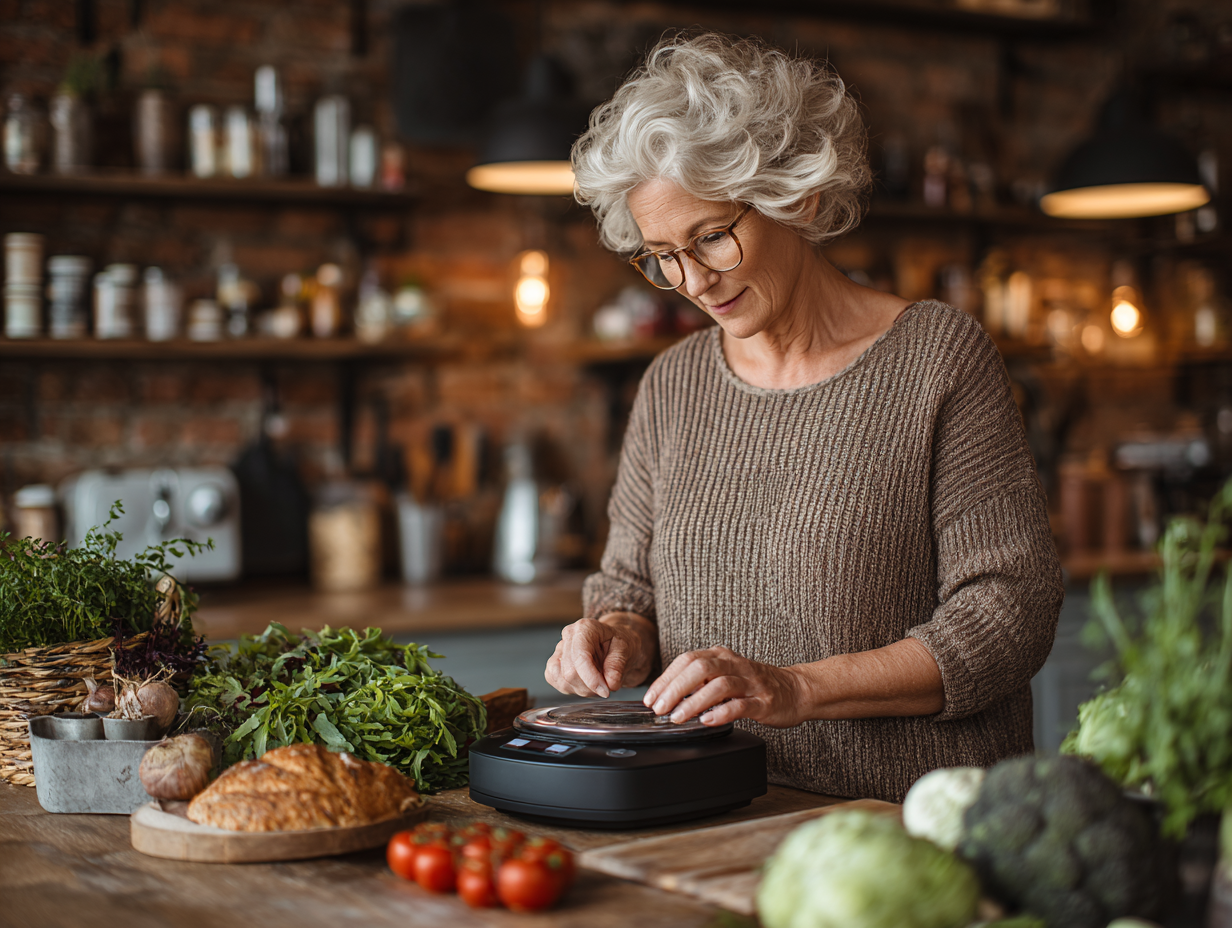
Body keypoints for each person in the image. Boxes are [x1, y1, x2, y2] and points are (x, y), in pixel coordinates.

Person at [545, 33, 1062, 802]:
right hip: (715, 812)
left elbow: (1008, 613)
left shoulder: (936, 360)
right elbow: (630, 589)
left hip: (907, 822)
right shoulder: (672, 385)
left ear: (799, 197)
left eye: (711, 237)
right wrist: (614, 637)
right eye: (662, 255)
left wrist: (793, 689)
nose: (693, 281)